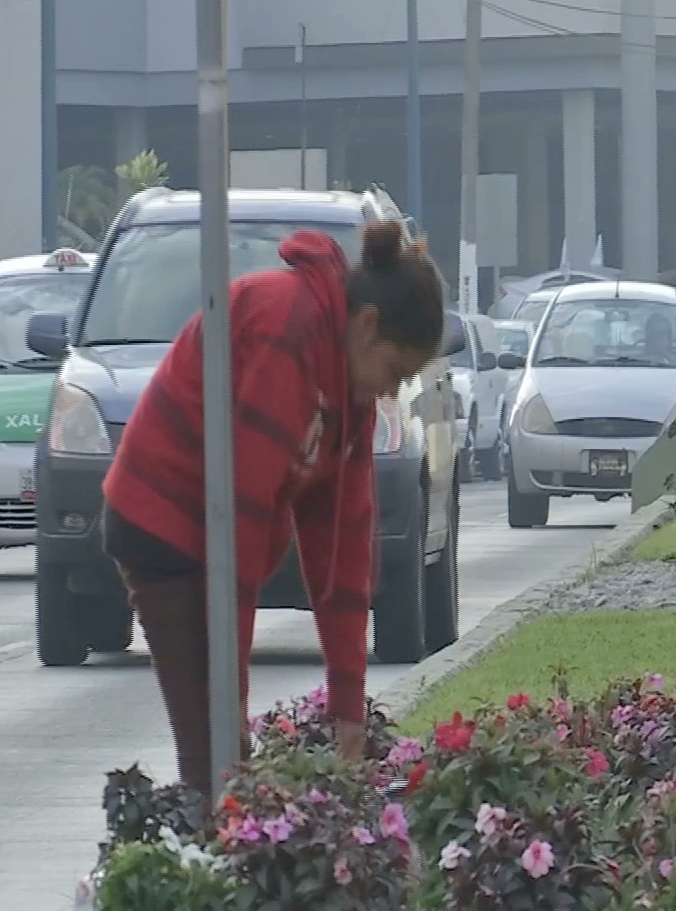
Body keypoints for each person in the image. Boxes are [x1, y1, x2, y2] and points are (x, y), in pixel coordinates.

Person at [101, 221, 447, 799]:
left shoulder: (349, 392)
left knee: (223, 756)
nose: (392, 393)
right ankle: (198, 858)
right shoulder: (284, 329)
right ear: (366, 326)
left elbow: (343, 549)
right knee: (213, 752)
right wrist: (231, 703)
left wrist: (348, 705)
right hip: (158, 517)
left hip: (221, 530)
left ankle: (221, 832)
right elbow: (238, 525)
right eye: (397, 373)